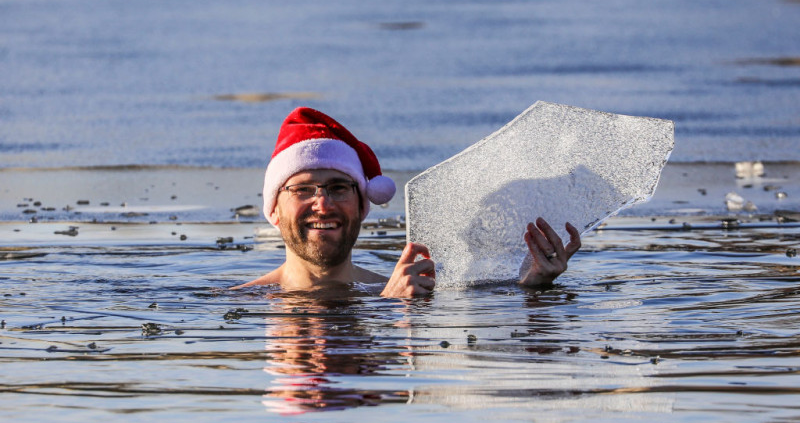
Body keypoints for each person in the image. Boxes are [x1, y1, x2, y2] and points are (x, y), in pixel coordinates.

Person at [234, 107, 581, 298]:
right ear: (274, 209)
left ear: (361, 204)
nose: (322, 204)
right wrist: (388, 308)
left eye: (339, 187)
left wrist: (533, 287)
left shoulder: (408, 288)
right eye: (303, 190)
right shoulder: (239, 306)